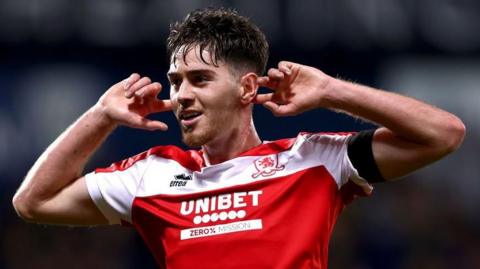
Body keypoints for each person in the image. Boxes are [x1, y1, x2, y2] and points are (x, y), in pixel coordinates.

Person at [12, 7, 465, 269]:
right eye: (176, 81)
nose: (182, 95)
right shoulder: (151, 175)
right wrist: (99, 117)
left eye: (200, 79)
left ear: (247, 88)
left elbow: (443, 133)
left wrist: (332, 90)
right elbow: (33, 202)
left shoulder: (311, 159)